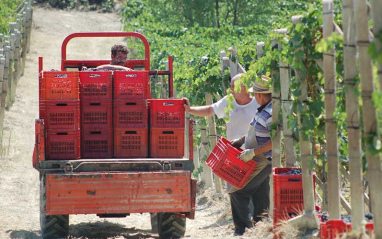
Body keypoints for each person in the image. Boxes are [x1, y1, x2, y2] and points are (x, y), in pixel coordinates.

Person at [229, 75, 273, 236]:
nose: (254, 97)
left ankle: (243, 230)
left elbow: (275, 141)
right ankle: (260, 226)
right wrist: (240, 141)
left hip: (264, 160)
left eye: (255, 94)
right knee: (260, 192)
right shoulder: (262, 110)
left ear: (260, 95)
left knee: (238, 191)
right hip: (257, 158)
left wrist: (253, 152)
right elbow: (253, 129)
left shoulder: (270, 114)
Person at [183, 73, 259, 142]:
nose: (231, 89)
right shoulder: (228, 101)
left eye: (234, 86)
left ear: (244, 88)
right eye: (231, 86)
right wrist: (190, 110)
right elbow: (210, 110)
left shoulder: (257, 103)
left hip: (252, 153)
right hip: (233, 152)